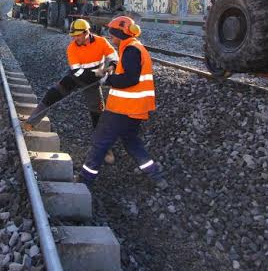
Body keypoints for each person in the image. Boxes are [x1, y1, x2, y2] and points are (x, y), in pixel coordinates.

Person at [78, 16, 166, 189]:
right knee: (131, 142)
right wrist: (110, 71)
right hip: (135, 109)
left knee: (100, 141)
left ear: (119, 33)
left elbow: (130, 79)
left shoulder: (131, 50)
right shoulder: (133, 47)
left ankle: (84, 180)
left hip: (123, 109)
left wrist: (107, 79)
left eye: (112, 34)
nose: (111, 37)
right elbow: (128, 73)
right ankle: (156, 176)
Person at [22, 18, 119, 164]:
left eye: (77, 36)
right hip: (76, 77)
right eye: (73, 36)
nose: (75, 38)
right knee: (53, 94)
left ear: (87, 33)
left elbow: (113, 56)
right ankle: (31, 122)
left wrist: (112, 65)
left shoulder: (101, 42)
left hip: (94, 81)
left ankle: (105, 148)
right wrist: (98, 73)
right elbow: (77, 73)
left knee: (98, 113)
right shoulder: (72, 48)